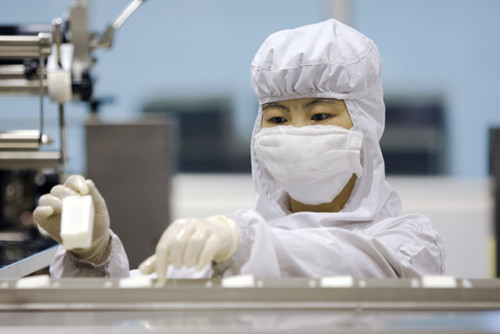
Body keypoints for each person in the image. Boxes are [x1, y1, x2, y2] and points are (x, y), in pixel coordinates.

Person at [33, 19, 445, 282]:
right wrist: (95, 258)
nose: (296, 132)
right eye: (278, 119)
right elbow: (138, 309)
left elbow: (349, 264)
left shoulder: (408, 242)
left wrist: (241, 243)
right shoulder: (226, 238)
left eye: (320, 116)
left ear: (366, 125)